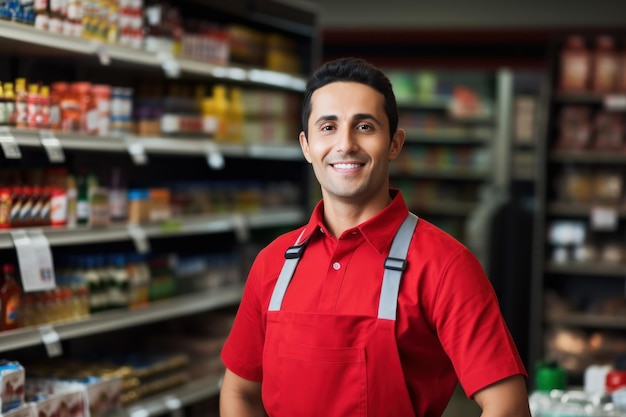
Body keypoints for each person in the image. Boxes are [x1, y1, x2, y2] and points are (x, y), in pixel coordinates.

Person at [220, 57, 531, 417]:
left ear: (395, 143)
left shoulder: (445, 265)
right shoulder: (273, 263)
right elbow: (239, 392)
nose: (345, 144)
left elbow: (507, 406)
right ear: (306, 146)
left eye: (364, 126)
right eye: (328, 127)